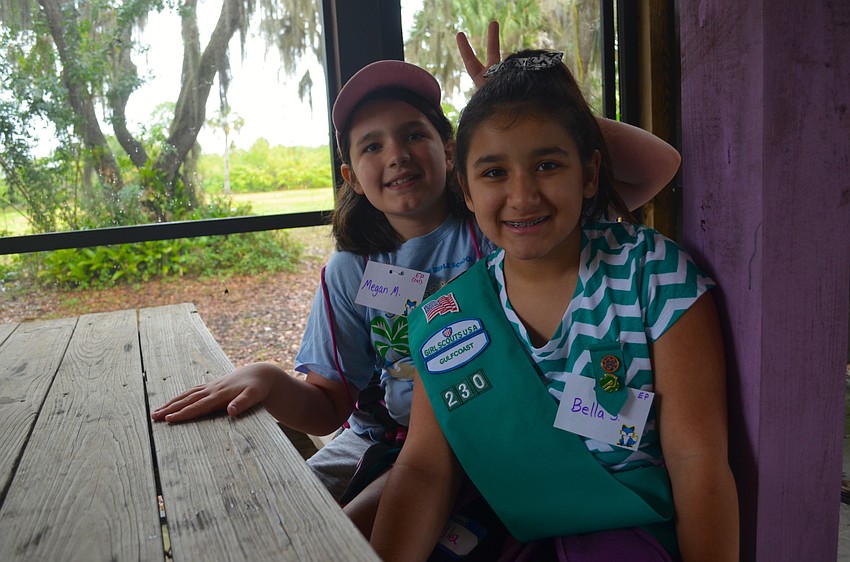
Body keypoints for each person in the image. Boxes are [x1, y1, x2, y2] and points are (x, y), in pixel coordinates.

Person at [151, 23, 683, 513]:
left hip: (494, 430)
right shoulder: (350, 271)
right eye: (372, 146)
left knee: (361, 529)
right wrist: (269, 380)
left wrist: (528, 110)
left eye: (413, 135)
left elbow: (654, 169)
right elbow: (329, 407)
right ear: (352, 176)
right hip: (382, 437)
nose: (397, 155)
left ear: (450, 151)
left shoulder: (503, 225)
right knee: (281, 514)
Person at [368, 49, 739, 561]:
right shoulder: (447, 315)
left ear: (589, 176)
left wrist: (543, 93)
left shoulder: (653, 275)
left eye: (547, 164)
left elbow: (698, 460)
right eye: (494, 172)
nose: (522, 197)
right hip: (505, 528)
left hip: (626, 529)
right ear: (467, 191)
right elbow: (424, 469)